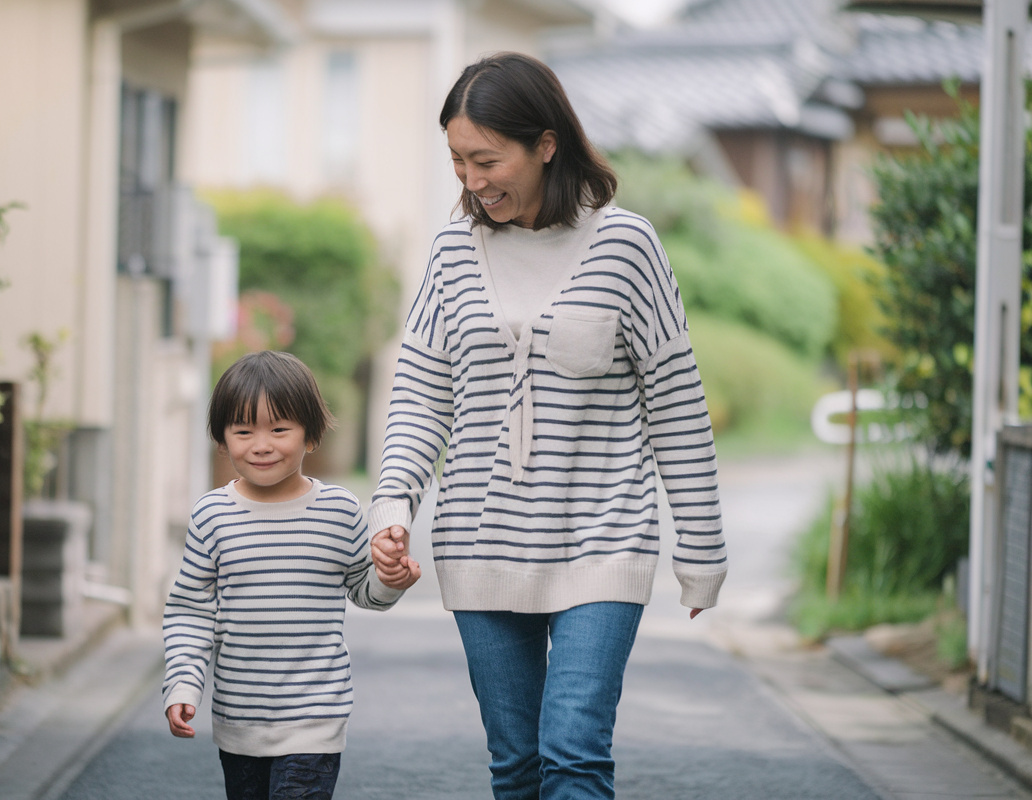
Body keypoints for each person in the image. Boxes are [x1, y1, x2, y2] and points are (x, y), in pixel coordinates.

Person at [369, 52, 728, 800]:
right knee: (518, 765)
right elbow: (420, 395)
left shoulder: (627, 246)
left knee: (572, 752)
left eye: (487, 159)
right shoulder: (451, 251)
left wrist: (702, 547)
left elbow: (677, 407)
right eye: (458, 161)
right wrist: (394, 503)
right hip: (478, 542)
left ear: (545, 144)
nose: (471, 180)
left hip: (603, 538)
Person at [163, 350, 421, 800]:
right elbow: (190, 610)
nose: (261, 444)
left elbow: (364, 591)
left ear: (310, 436)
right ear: (222, 440)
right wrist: (184, 681)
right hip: (238, 719)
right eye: (243, 431)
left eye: (279, 429)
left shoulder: (339, 511)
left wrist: (389, 579)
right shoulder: (212, 516)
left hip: (315, 719)